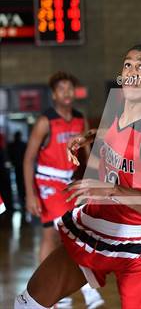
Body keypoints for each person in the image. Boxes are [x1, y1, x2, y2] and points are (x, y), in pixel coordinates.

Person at [15, 44, 141, 309]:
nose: (131, 72)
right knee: (27, 303)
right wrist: (91, 135)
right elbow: (121, 139)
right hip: (96, 226)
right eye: (128, 64)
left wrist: (111, 191)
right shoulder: (119, 113)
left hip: (138, 246)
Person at [22, 71, 104, 308]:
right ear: (53, 94)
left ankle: (64, 291)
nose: (67, 93)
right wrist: (30, 194)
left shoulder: (81, 119)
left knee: (69, 234)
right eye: (61, 89)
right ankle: (76, 291)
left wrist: (95, 181)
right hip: (48, 182)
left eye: (70, 88)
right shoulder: (45, 121)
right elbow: (28, 159)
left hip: (69, 182)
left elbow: (89, 158)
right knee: (61, 233)